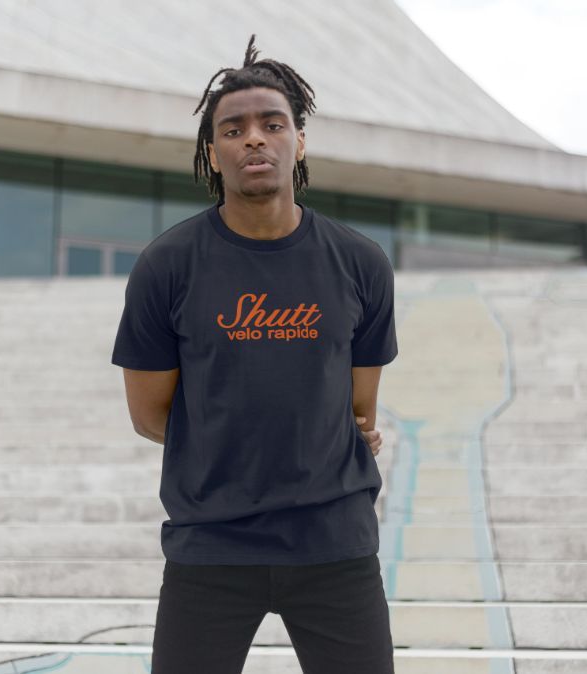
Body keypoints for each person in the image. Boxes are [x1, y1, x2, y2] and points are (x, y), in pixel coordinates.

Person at [111, 33, 398, 674]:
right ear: (213, 154)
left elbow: (358, 409)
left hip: (334, 543)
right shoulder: (167, 265)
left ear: (300, 141)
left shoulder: (360, 263)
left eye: (272, 124)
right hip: (211, 544)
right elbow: (150, 415)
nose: (254, 140)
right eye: (233, 130)